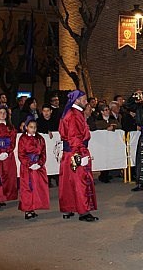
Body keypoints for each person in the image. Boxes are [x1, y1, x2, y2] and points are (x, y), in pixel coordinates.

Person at [58, 90, 98, 222]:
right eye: (84, 99)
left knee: (68, 182)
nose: (86, 102)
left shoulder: (72, 114)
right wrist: (80, 155)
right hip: (76, 152)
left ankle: (69, 207)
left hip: (70, 153)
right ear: (76, 100)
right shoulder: (74, 116)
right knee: (81, 182)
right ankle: (83, 211)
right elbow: (74, 137)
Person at [18, 116, 50, 220]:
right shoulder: (23, 139)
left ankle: (34, 207)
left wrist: (40, 163)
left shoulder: (40, 139)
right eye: (31, 127)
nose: (33, 129)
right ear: (26, 127)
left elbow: (43, 153)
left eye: (35, 127)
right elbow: (21, 154)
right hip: (27, 168)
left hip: (38, 167)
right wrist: (29, 164)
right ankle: (28, 210)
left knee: (37, 188)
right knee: (27, 188)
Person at [0, 106, 18, 209]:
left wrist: (7, 152)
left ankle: (3, 197)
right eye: (0, 112)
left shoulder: (11, 127)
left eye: (4, 113)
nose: (2, 115)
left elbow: (13, 141)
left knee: (7, 176)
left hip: (8, 155)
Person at [94, 103, 121, 183]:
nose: (108, 111)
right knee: (103, 158)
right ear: (102, 112)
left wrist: (113, 127)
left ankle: (111, 173)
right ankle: (103, 175)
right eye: (106, 110)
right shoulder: (98, 120)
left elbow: (119, 125)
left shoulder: (113, 119)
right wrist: (107, 127)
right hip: (102, 143)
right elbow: (97, 127)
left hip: (112, 142)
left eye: (108, 110)